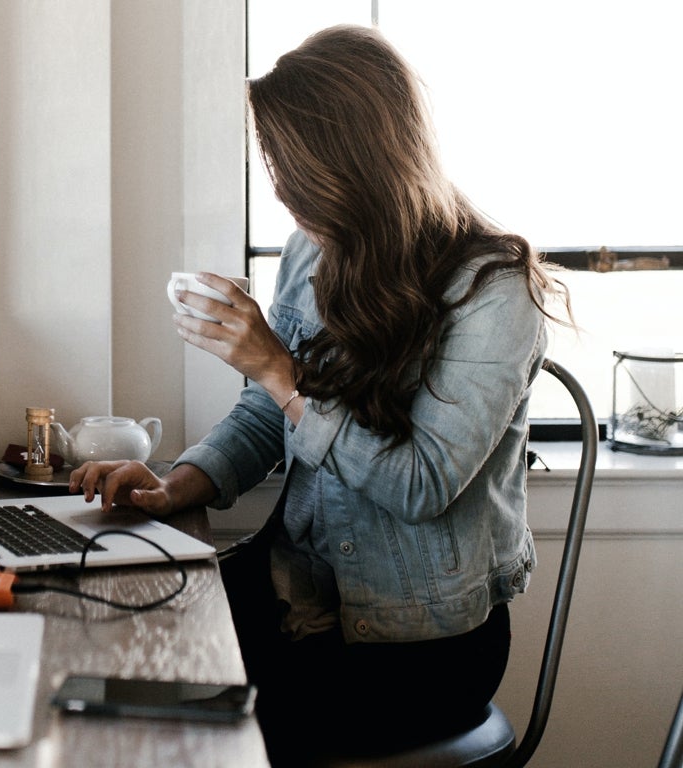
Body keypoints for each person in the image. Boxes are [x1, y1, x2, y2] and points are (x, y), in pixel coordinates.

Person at [68, 24, 573, 766]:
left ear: (356, 162)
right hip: (296, 592)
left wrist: (278, 368)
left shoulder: (495, 291)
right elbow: (267, 413)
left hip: (419, 645)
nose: (280, 188)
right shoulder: (317, 246)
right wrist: (176, 485)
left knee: (175, 729)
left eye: (291, 167)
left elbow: (420, 483)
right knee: (108, 639)